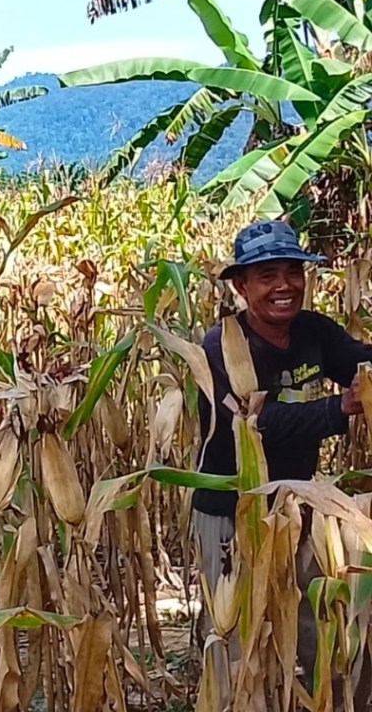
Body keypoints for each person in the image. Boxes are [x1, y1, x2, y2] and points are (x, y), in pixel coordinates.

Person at [192, 219, 372, 706]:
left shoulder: (313, 332)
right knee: (232, 633)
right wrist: (340, 409)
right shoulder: (221, 348)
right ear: (241, 285)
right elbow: (257, 422)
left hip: (298, 505)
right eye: (267, 275)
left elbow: (358, 360)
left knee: (324, 616)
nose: (284, 286)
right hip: (230, 508)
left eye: (293, 272)